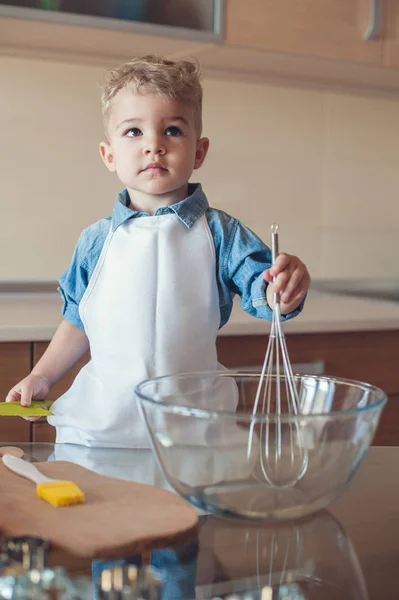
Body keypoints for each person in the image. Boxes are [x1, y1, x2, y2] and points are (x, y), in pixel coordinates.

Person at [6, 55, 311, 449]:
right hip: (99, 432)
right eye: (133, 132)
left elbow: (266, 294)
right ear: (109, 155)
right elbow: (77, 320)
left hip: (195, 432)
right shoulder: (95, 241)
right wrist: (42, 376)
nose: (154, 145)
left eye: (171, 130)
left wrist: (283, 288)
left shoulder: (221, 233)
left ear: (198, 153)